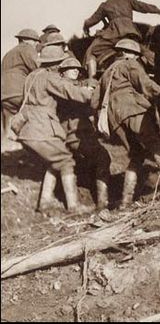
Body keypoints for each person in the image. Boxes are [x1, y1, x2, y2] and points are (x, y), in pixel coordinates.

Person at [90, 38, 160, 208]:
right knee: (156, 145)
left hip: (114, 120)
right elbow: (145, 84)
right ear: (130, 54)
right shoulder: (130, 64)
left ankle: (126, 201)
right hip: (133, 111)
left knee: (137, 154)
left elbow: (94, 102)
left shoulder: (106, 73)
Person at [16, 46, 95, 214]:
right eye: (60, 63)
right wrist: (90, 94)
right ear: (54, 64)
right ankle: (74, 206)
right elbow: (69, 90)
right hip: (43, 128)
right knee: (66, 161)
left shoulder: (31, 76)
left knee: (54, 162)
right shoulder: (49, 77)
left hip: (27, 128)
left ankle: (44, 202)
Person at [83, 0, 160, 79]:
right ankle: (157, 66)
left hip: (113, 34)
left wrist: (85, 25)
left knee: (91, 51)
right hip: (131, 33)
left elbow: (92, 20)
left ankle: (92, 81)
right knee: (143, 50)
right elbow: (143, 7)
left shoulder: (105, 5)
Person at [56, 57, 111, 211]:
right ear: (62, 72)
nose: (76, 70)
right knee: (103, 157)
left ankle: (80, 202)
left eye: (78, 69)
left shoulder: (67, 86)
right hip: (75, 134)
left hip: (69, 134)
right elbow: (85, 105)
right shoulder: (67, 87)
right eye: (71, 68)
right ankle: (102, 203)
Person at [1, 29, 40, 149]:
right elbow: (38, 67)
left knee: (9, 122)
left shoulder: (8, 53)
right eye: (35, 41)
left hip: (3, 92)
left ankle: (8, 148)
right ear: (26, 40)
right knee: (36, 113)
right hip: (18, 90)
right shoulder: (27, 49)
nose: (36, 44)